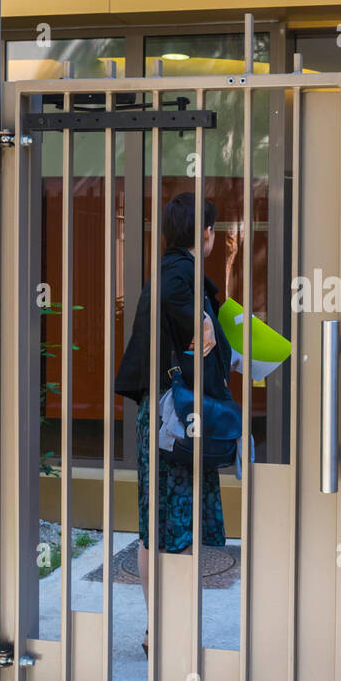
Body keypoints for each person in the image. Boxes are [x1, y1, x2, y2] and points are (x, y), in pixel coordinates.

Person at [114, 191, 235, 655]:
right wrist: (205, 328)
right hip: (177, 417)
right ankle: (164, 631)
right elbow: (180, 314)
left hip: (165, 413)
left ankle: (159, 628)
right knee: (174, 526)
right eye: (212, 230)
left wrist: (212, 329)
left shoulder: (171, 270)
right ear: (203, 234)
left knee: (158, 524)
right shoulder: (178, 272)